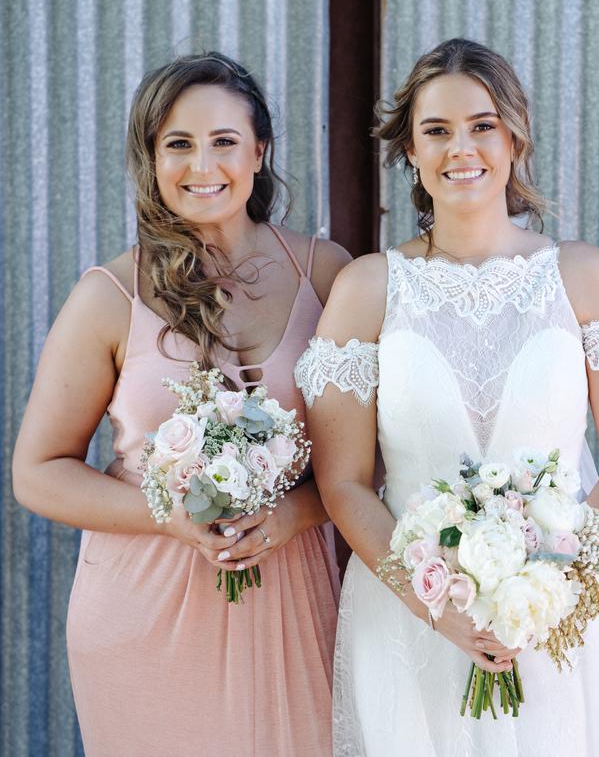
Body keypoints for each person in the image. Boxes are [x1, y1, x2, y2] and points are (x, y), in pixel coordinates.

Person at [294, 38, 599, 756]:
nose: (462, 148)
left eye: (482, 125)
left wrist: (548, 583)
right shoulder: (367, 288)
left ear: (514, 136)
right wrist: (433, 602)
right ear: (410, 152)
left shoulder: (581, 274)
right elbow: (345, 483)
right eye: (437, 130)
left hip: (560, 616)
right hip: (412, 619)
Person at [13, 52, 349, 756]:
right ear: (151, 158)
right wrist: (172, 515)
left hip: (294, 593)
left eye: (224, 141)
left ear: (259, 151)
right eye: (179, 144)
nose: (204, 164)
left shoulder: (326, 273)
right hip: (144, 607)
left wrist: (292, 511)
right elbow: (38, 470)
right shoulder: (107, 295)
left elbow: (366, 458)